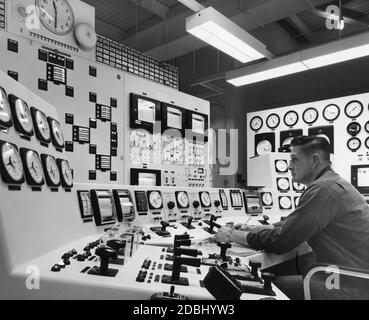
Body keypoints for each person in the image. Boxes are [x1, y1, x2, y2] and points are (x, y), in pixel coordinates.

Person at [213, 135, 369, 299]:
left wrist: (231, 235)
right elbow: (297, 222)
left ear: (315, 160)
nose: (289, 166)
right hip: (354, 276)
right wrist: (266, 227)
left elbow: (281, 242)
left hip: (353, 286)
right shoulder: (333, 183)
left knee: (273, 287)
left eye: (294, 160)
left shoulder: (323, 189)